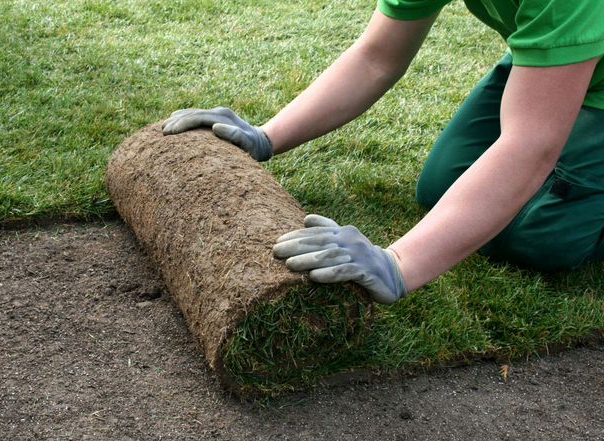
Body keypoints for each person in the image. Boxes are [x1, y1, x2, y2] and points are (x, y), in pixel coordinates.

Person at [163, 0, 604, 304]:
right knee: (443, 187)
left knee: (538, 237)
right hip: (564, 60)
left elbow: (530, 143)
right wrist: (268, 136)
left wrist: (400, 264)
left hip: (584, 64)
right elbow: (377, 57)